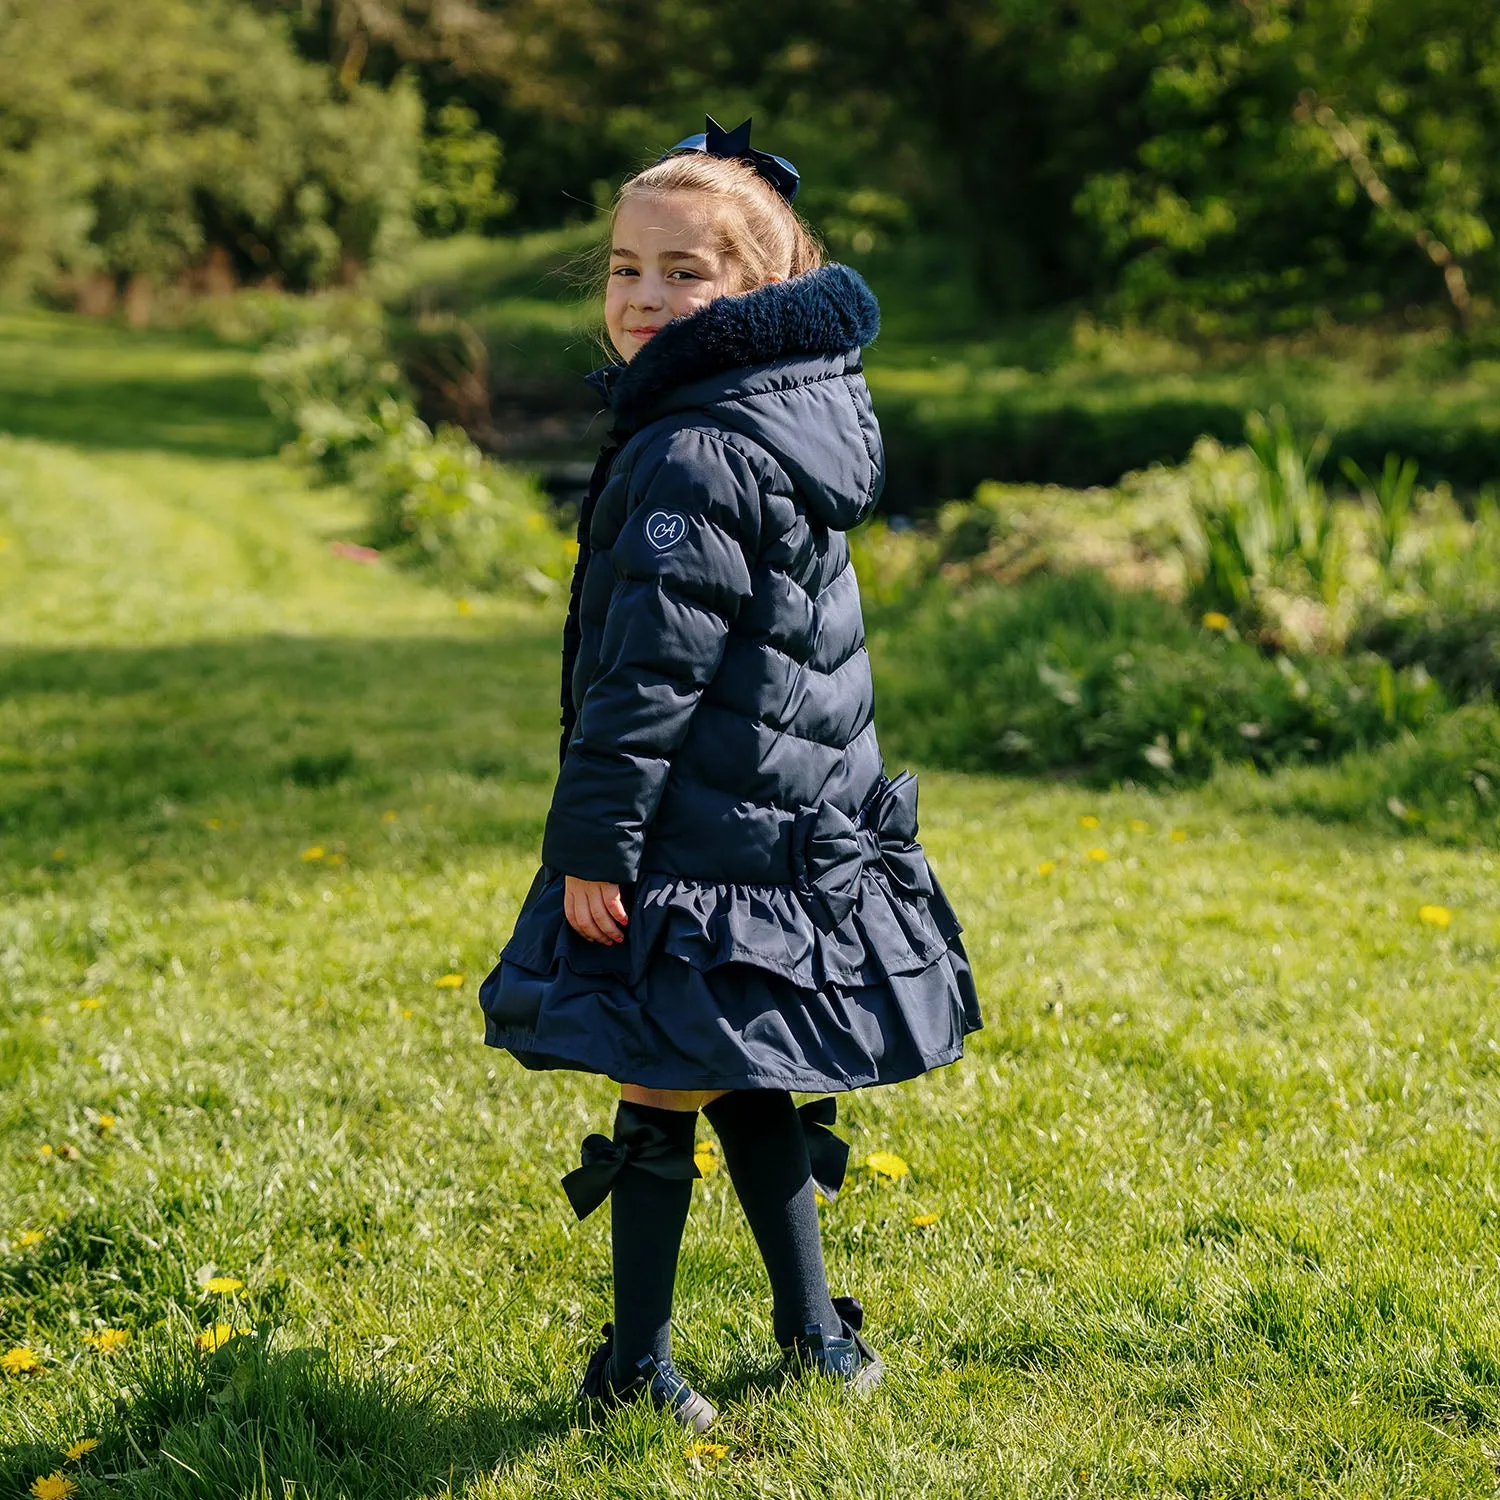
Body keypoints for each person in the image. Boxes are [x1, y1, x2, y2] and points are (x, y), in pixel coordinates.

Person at [477, 116, 983, 1433]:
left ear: (754, 290)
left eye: (685, 273)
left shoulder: (693, 449)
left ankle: (637, 1366)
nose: (644, 297)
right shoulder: (787, 407)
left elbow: (649, 678)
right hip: (779, 814)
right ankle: (813, 1334)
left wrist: (597, 843)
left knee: (661, 1073)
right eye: (624, 268)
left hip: (702, 830)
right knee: (753, 1064)